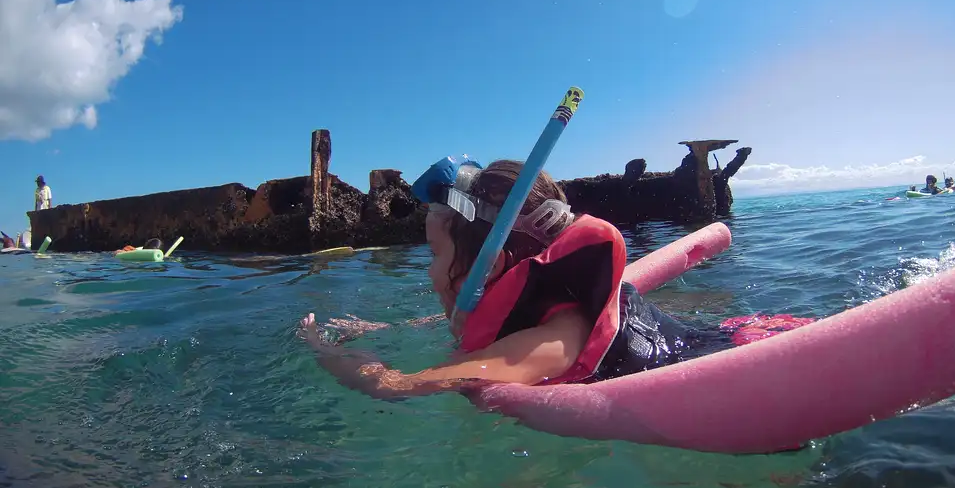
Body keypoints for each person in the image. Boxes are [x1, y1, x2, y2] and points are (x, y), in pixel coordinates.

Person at [297, 156, 811, 399]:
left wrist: (331, 352)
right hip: (726, 335)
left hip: (755, 361)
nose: (428, 270)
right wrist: (387, 330)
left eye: (433, 253)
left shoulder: (555, 337)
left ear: (490, 266)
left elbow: (402, 387)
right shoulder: (548, 307)